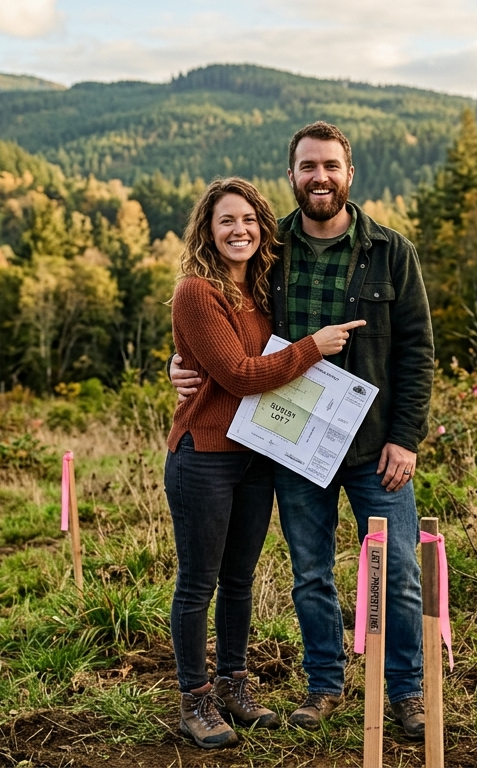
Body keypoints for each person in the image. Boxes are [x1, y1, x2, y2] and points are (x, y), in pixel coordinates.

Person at [170, 122, 434, 741]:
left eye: (331, 166)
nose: (320, 177)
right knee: (310, 573)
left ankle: (407, 692)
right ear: (291, 177)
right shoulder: (271, 250)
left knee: (398, 570)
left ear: (349, 173)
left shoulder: (391, 251)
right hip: (292, 447)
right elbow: (219, 320)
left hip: (374, 447)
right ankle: (323, 686)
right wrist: (180, 361)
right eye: (308, 167)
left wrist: (407, 437)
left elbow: (417, 351)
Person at [164, 177, 366, 749]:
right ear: (208, 228)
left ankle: (234, 684)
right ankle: (195, 700)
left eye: (250, 220)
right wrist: (313, 347)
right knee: (198, 582)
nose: (240, 230)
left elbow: (231, 362)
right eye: (227, 221)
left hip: (255, 455)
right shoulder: (197, 291)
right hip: (203, 457)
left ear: (263, 228)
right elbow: (240, 375)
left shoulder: (258, 289)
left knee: (240, 580)